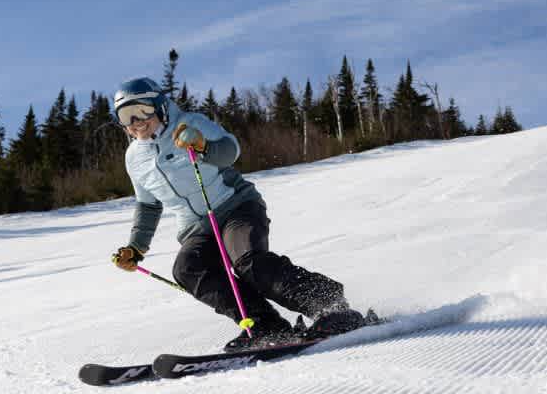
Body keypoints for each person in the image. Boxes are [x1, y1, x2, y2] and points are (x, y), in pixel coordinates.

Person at [110, 77, 363, 351]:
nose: (136, 121)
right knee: (188, 269)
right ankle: (265, 325)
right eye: (126, 116)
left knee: (247, 260)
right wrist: (136, 247)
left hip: (236, 207)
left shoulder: (189, 124)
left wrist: (204, 146)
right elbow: (148, 205)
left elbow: (231, 150)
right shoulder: (134, 158)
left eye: (142, 111)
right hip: (196, 227)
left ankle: (329, 306)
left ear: (159, 106)